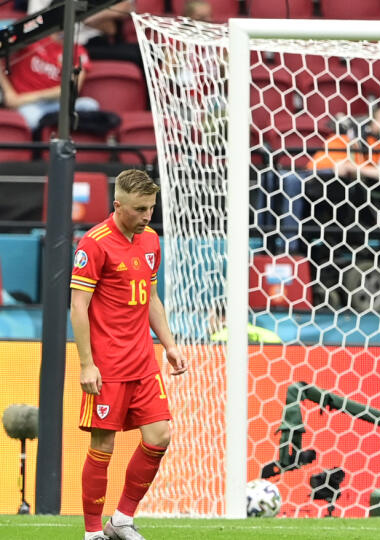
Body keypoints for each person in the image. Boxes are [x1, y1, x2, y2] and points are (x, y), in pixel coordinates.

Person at [70, 170, 187, 540]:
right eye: (139, 209)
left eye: (151, 208)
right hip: (108, 367)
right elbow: (78, 305)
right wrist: (87, 363)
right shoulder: (94, 244)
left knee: (160, 436)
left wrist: (168, 345)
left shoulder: (151, 240)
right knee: (102, 445)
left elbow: (151, 298)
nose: (147, 216)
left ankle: (121, 519)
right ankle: (92, 533)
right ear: (118, 205)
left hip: (143, 363)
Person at [0, 34, 100, 132]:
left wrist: (30, 97)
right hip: (29, 106)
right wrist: (9, 93)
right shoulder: (33, 38)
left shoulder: (77, 50)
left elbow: (71, 89)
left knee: (90, 105)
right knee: (33, 120)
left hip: (54, 103)